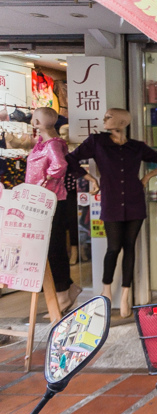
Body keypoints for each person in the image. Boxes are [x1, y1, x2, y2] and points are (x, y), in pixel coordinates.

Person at [67, 108, 157, 318]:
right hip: (111, 201)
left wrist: (147, 177)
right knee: (113, 247)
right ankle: (106, 290)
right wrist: (91, 179)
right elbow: (70, 160)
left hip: (134, 201)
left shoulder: (136, 147)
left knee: (130, 247)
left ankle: (125, 294)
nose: (104, 119)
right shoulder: (97, 142)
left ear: (123, 122)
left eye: (109, 116)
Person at [26, 106, 81, 312]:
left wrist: (45, 179)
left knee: (54, 248)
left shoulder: (51, 145)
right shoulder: (42, 144)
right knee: (49, 247)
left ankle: (63, 293)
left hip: (52, 201)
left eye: (34, 118)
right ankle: (67, 288)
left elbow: (59, 165)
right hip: (41, 200)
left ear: (37, 122)